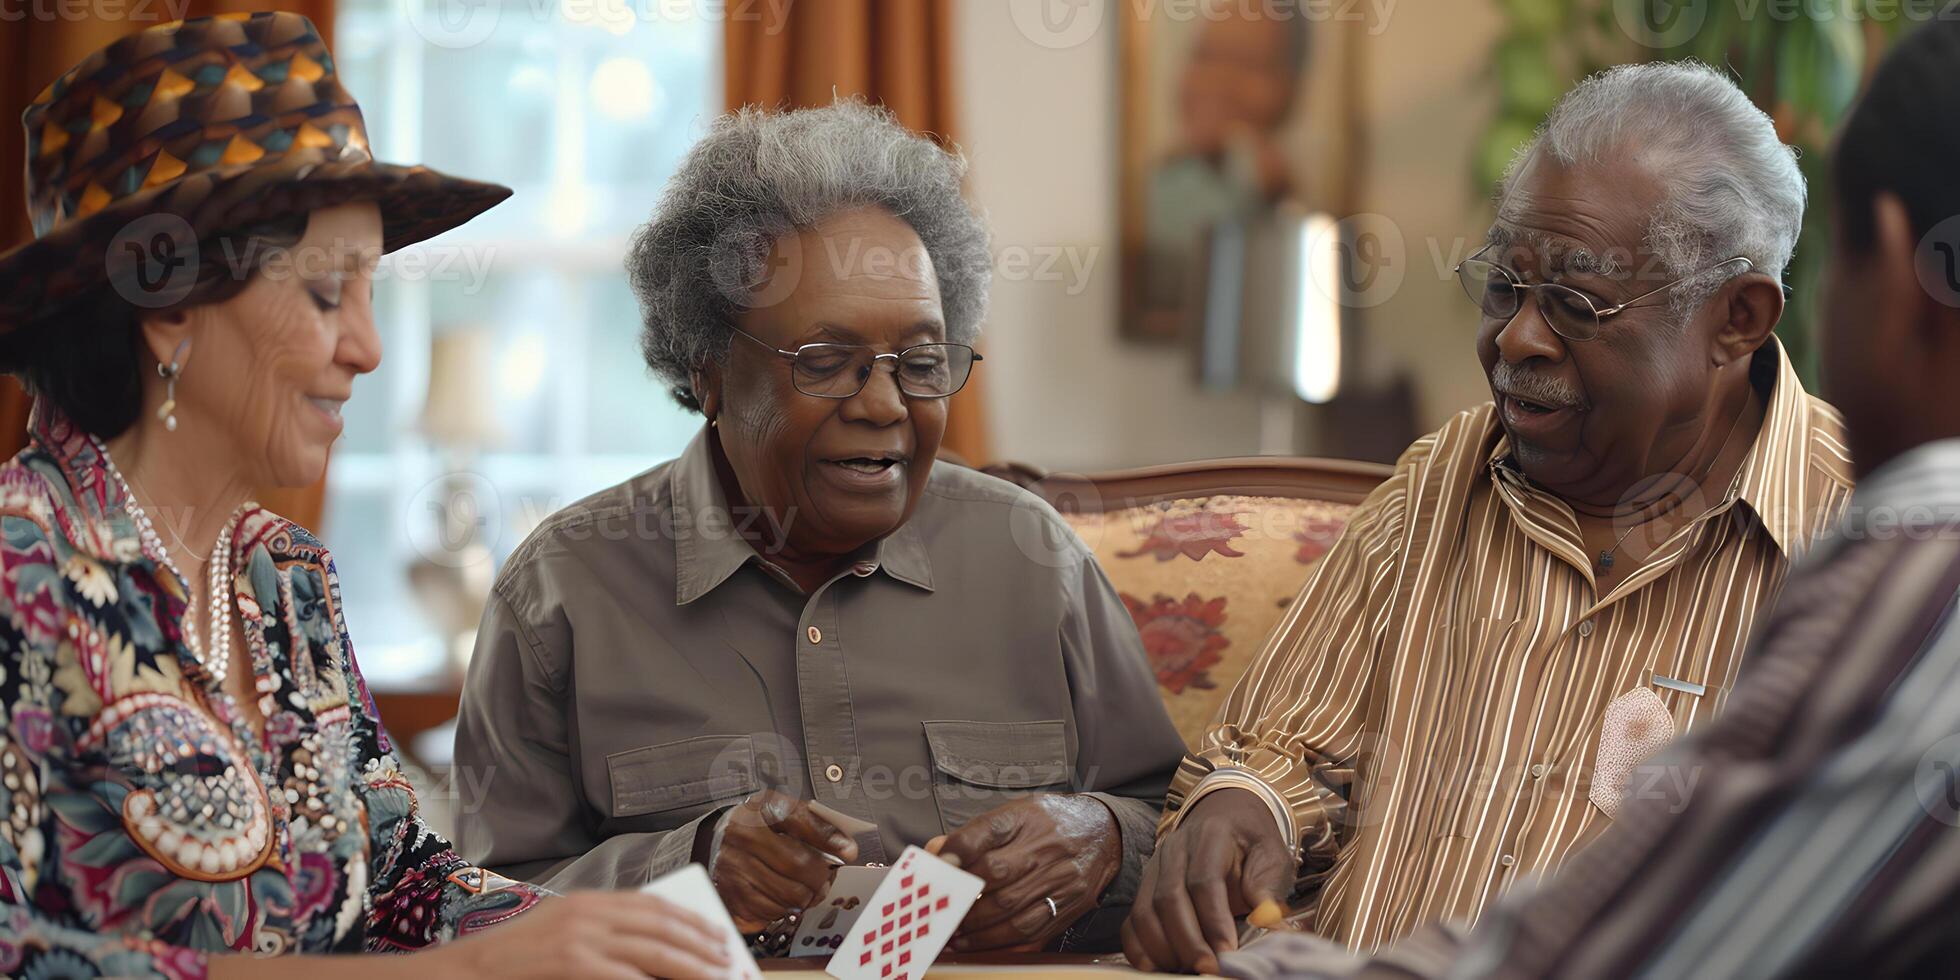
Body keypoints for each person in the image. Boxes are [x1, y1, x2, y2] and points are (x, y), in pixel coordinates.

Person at [1210, 18, 1960, 977]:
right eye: (1503, 284)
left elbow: (1655, 943)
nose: (1517, 339)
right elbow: (1278, 746)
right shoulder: (1442, 480)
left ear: (1740, 318)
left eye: (1577, 304)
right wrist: (1250, 799)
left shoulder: (1876, 552)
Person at [0, 14, 725, 978]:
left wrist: (632, 935)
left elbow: (399, 880)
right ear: (169, 301)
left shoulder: (288, 575)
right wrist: (460, 974)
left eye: (371, 291)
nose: (369, 349)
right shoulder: (22, 565)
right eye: (326, 293)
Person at [451, 99, 1187, 954]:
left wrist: (1101, 838)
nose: (883, 406)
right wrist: (684, 869)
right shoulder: (564, 588)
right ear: (712, 374)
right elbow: (479, 912)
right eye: (827, 364)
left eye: (920, 363)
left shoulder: (1032, 561)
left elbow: (1175, 823)